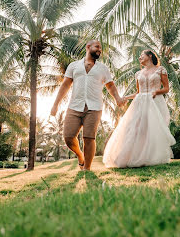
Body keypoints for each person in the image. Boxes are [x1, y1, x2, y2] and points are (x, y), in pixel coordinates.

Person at [50, 40, 125, 171]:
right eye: (97, 47)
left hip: (94, 107)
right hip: (74, 105)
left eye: (100, 48)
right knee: (68, 137)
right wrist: (55, 104)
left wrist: (117, 98)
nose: (99, 50)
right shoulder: (74, 66)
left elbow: (110, 85)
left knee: (89, 138)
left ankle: (87, 169)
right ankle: (80, 156)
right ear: (88, 47)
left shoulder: (102, 68)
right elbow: (65, 85)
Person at [103, 50, 176, 168]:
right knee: (137, 129)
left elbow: (166, 88)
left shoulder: (160, 69)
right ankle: (134, 157)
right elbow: (138, 92)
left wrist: (156, 92)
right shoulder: (138, 73)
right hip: (140, 103)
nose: (139, 58)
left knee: (152, 129)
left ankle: (151, 157)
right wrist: (126, 97)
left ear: (150, 56)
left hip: (155, 102)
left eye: (141, 55)